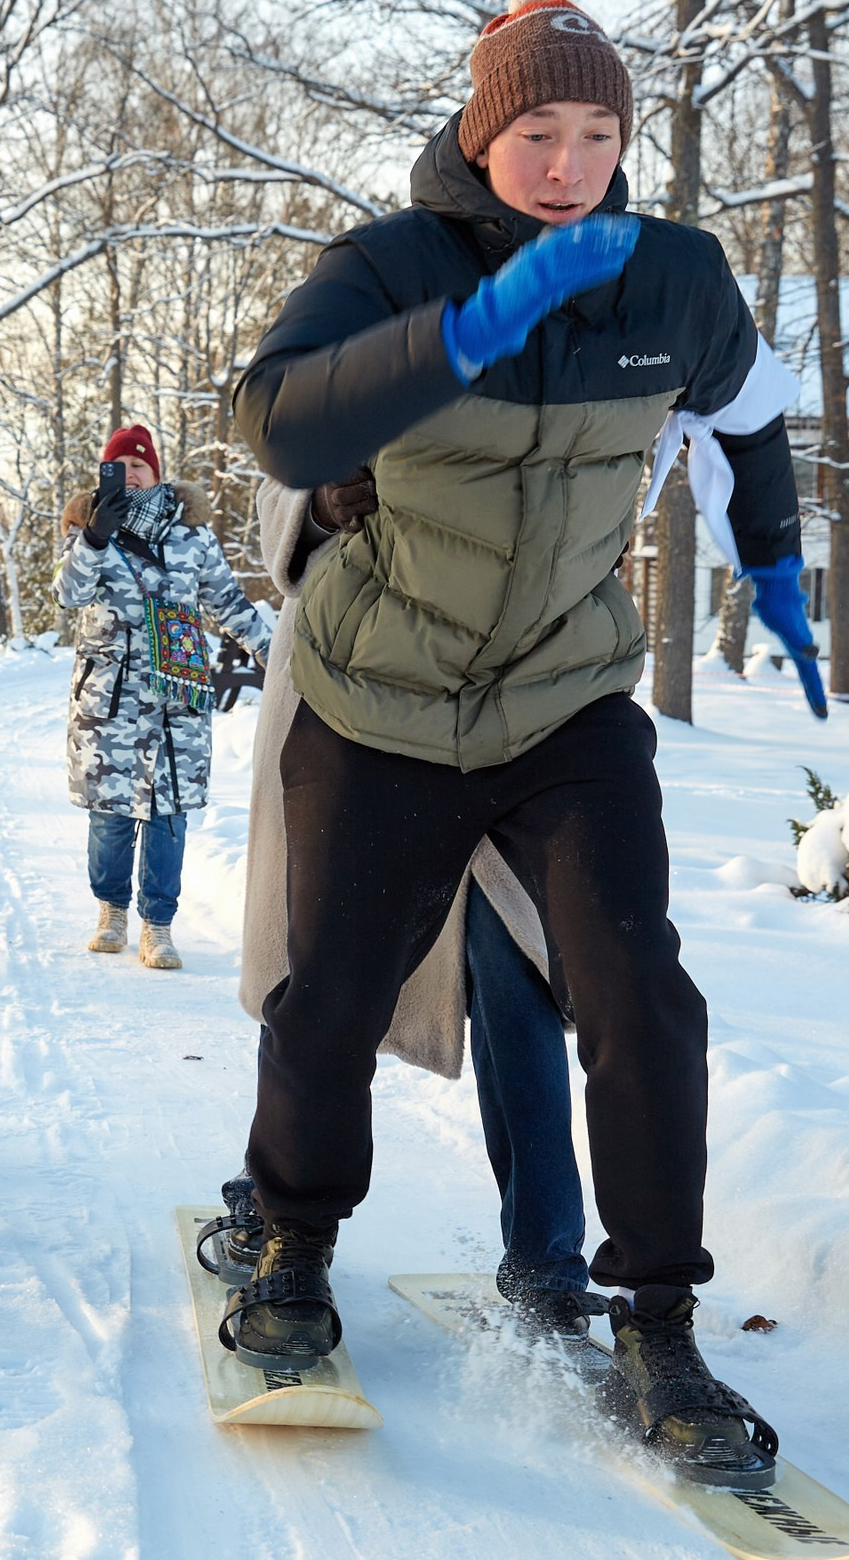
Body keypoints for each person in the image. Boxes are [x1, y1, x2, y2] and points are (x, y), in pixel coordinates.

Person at [220, 0, 826, 1490]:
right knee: (333, 994)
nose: (570, 163)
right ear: (486, 133)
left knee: (637, 985)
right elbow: (277, 420)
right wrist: (466, 328)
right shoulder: (390, 263)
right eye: (539, 131)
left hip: (565, 696)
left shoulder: (673, 281)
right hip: (384, 697)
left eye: (600, 131)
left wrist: (778, 557)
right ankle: (290, 1234)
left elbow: (752, 412)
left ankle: (659, 1319)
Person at [203, 471, 594, 1337]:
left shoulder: (542, 339)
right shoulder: (349, 342)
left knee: (513, 964)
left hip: (504, 684)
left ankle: (548, 1262)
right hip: (346, 673)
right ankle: (282, 1216)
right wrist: (321, 503)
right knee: (321, 962)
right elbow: (283, 472)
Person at [57, 422, 270, 970]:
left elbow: (227, 603)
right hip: (109, 699)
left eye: (139, 465)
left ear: (156, 472)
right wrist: (95, 538)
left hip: (178, 696)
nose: (129, 474)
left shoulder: (191, 535)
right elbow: (68, 594)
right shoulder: (87, 528)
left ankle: (158, 925)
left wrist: (275, 652)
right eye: (119, 466)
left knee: (169, 813)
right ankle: (111, 910)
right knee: (110, 815)